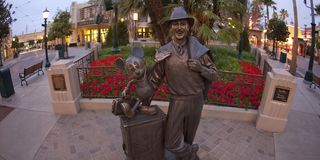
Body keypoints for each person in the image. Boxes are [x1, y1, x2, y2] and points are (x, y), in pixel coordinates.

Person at [149, 7, 218, 160]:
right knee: (171, 142)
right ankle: (190, 152)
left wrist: (201, 68)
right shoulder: (164, 51)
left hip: (196, 100)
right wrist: (143, 100)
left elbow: (214, 75)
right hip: (177, 101)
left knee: (188, 136)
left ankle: (187, 152)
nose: (179, 27)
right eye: (175, 24)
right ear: (170, 27)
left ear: (188, 27)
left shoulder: (198, 49)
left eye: (183, 23)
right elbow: (154, 79)